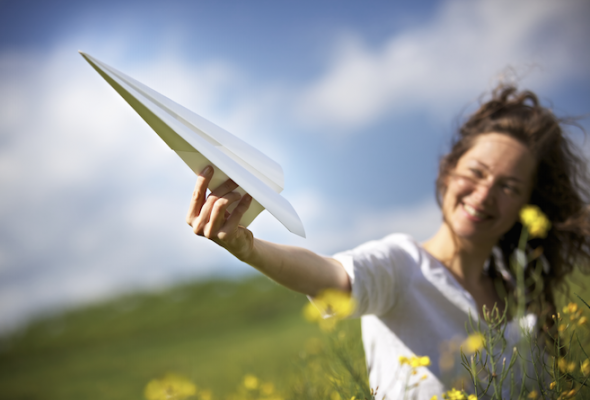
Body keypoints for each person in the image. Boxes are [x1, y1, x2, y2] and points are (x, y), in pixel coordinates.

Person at [186, 85, 590, 398]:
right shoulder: (402, 264)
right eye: (477, 172)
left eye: (508, 187)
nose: (484, 195)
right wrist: (250, 249)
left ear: (525, 205)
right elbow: (331, 276)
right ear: (448, 171)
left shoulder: (525, 297)